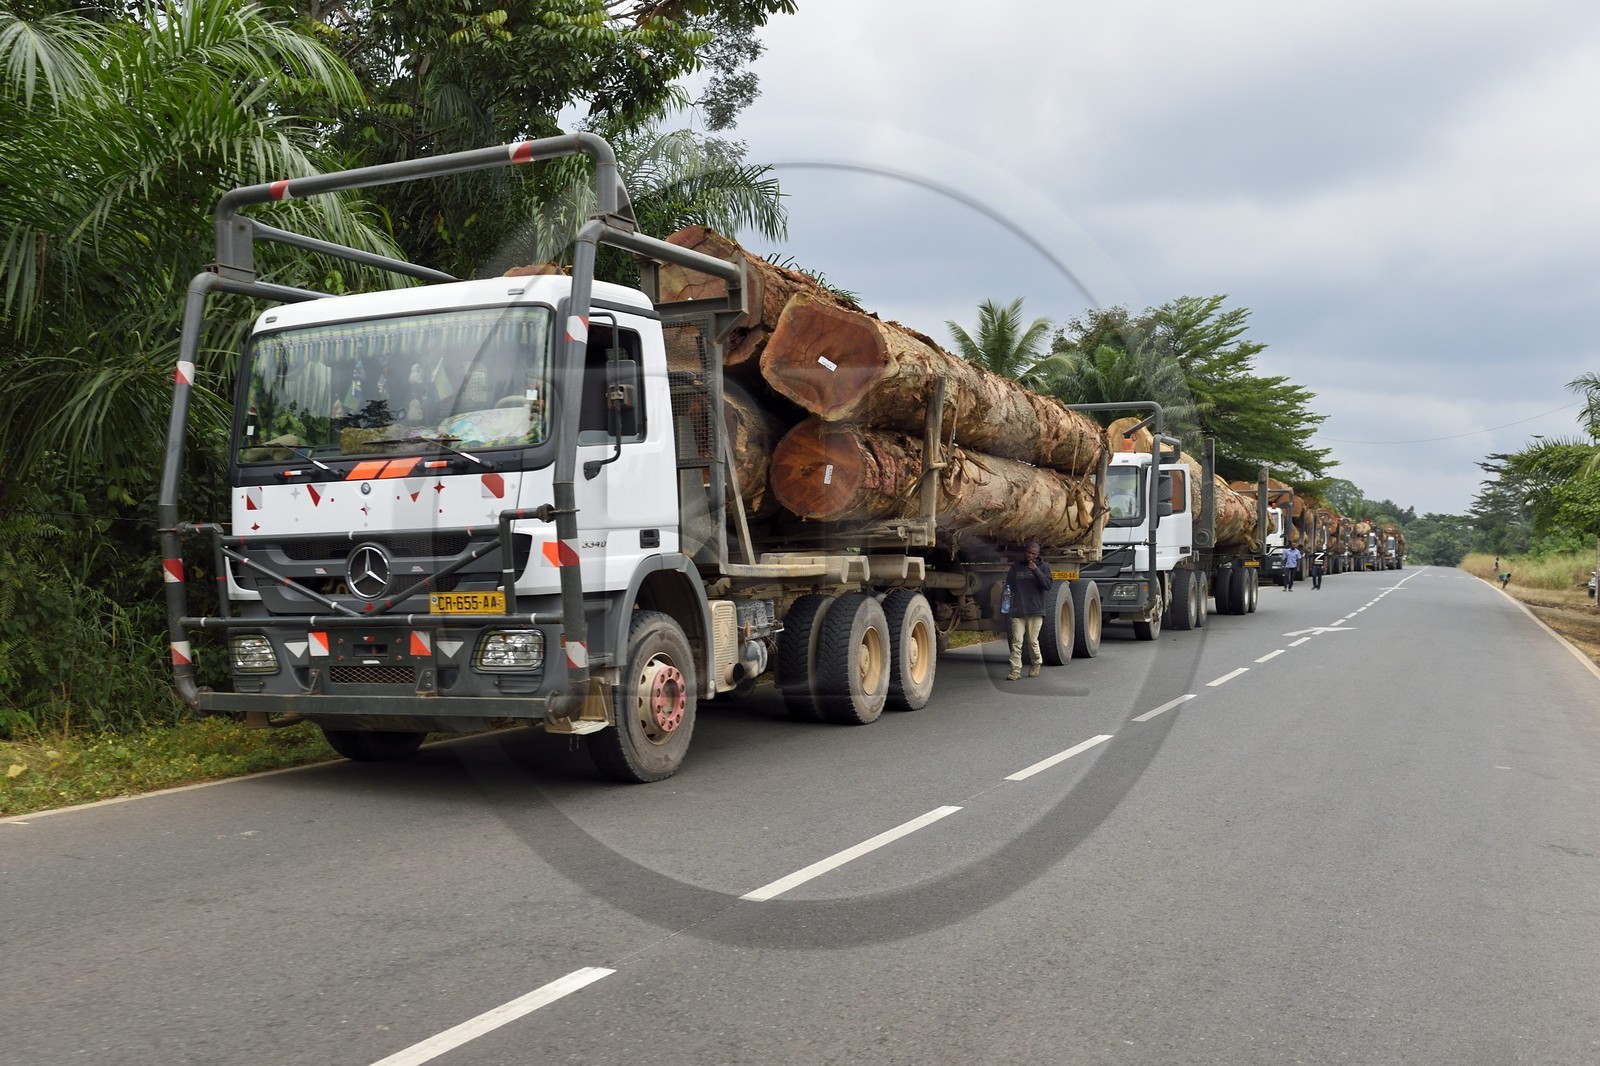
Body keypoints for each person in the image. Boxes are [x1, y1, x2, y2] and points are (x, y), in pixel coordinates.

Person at [1004, 541, 1054, 681]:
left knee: (1032, 641)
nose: (1030, 556)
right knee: (1017, 641)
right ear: (1025, 552)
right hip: (1018, 610)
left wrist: (1036, 571)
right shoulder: (1016, 568)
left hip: (1035, 610)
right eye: (1028, 552)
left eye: (1033, 554)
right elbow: (1009, 586)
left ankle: (1036, 663)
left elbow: (1048, 585)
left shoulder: (1043, 568)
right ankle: (1015, 670)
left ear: (1038, 555)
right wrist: (1006, 601)